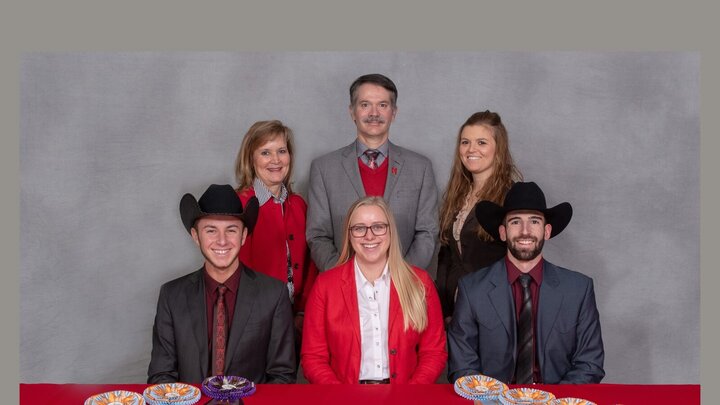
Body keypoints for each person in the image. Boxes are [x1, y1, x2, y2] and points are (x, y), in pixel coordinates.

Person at [447, 182, 604, 384]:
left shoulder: (578, 290)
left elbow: (589, 364)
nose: (525, 231)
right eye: (515, 222)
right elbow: (462, 365)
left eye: (534, 221)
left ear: (547, 231)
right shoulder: (472, 290)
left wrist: (550, 402)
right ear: (503, 232)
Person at [147, 184, 296, 384]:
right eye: (211, 230)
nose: (222, 241)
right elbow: (161, 376)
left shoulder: (273, 295)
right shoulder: (172, 296)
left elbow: (282, 376)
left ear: (243, 236)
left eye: (231, 230)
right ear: (195, 236)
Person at [301, 196, 447, 384]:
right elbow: (313, 358)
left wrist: (409, 396)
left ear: (390, 231)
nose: (369, 236)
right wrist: (341, 398)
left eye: (378, 227)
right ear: (349, 234)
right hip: (344, 398)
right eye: (359, 228)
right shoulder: (325, 286)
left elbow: (433, 352)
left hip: (405, 397)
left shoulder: (420, 283)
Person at [306, 73, 439, 272]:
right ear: (352, 111)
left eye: (383, 105)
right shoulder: (324, 169)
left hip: (403, 289)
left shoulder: (420, 168)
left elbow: (428, 233)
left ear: (394, 112)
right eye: (365, 104)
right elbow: (318, 236)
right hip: (344, 289)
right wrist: (346, 279)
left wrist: (400, 278)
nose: (374, 113)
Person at [234, 120, 318, 341]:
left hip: (293, 322)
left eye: (281, 151)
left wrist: (302, 312)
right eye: (265, 152)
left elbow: (311, 264)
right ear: (251, 159)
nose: (276, 160)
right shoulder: (237, 205)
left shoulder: (299, 205)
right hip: (250, 322)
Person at [436, 111, 522, 323]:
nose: (471, 149)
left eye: (481, 142)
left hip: (494, 308)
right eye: (465, 142)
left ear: (498, 148)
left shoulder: (512, 197)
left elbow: (521, 261)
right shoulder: (457, 196)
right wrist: (444, 306)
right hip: (455, 310)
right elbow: (447, 256)